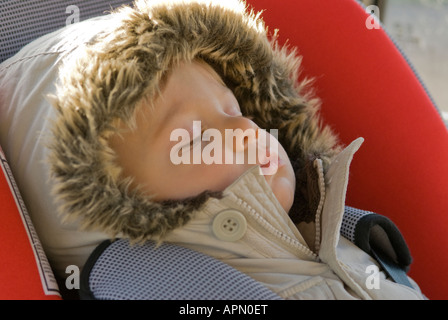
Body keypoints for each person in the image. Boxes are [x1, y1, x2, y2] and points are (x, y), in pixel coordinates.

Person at [48, 0, 425, 299]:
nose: (246, 128)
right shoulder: (176, 291)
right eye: (195, 138)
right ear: (119, 204)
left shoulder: (335, 228)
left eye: (235, 109)